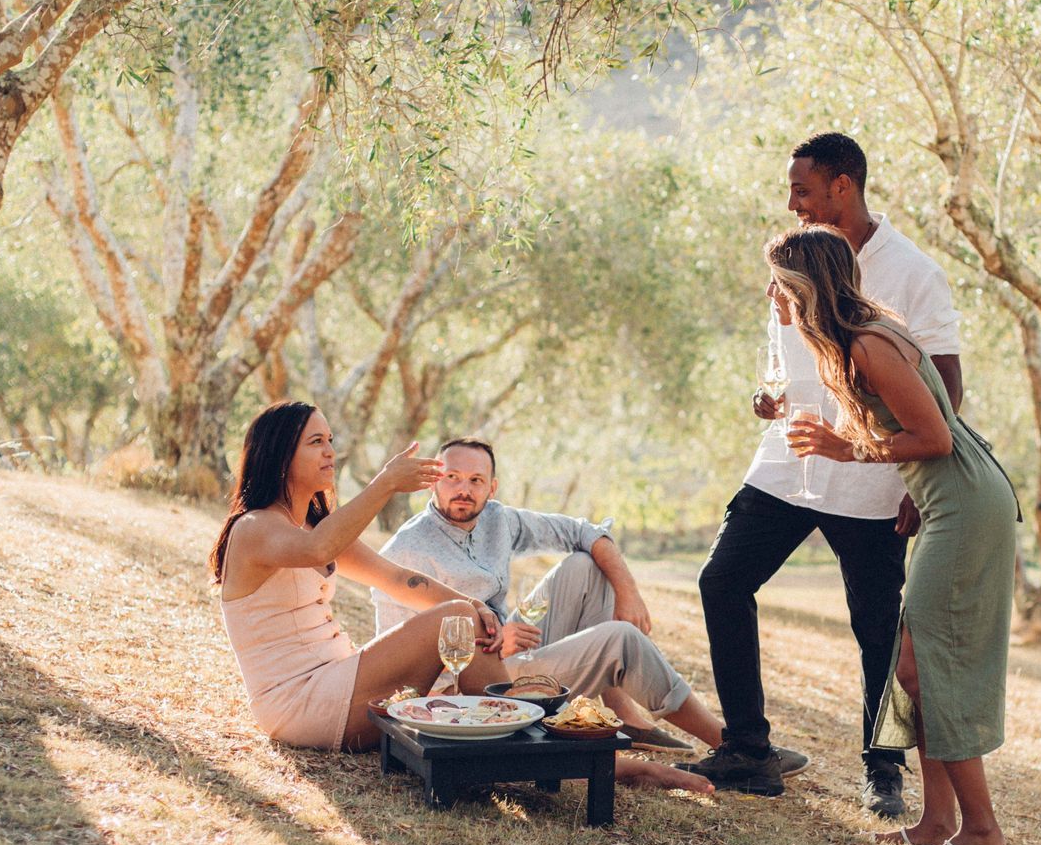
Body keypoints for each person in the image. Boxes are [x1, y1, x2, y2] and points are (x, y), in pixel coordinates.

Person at [212, 402, 711, 794]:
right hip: (299, 703)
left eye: (331, 440)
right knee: (453, 626)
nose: (330, 452)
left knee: (458, 630)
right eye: (316, 442)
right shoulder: (256, 529)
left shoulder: (311, 524)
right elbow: (320, 549)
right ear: (280, 453)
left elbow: (401, 580)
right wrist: (387, 483)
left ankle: (573, 750)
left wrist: (475, 611)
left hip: (339, 686)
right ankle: (601, 761)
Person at [691, 132, 962, 807]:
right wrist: (770, 393)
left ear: (843, 185)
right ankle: (749, 749)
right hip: (787, 464)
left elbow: (945, 383)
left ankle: (882, 770)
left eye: (802, 190)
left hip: (871, 478)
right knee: (722, 582)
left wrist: (915, 483)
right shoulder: (790, 265)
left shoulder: (913, 271)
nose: (791, 203)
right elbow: (785, 361)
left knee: (877, 627)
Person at [776, 225, 1016, 845]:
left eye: (781, 284)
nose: (773, 296)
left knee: (933, 667)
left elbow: (935, 438)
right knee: (912, 669)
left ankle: (984, 833)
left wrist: (842, 447)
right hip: (949, 505)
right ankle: (937, 822)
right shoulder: (859, 340)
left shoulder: (870, 344)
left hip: (965, 508)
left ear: (806, 288)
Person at [373, 437, 808, 776]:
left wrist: (628, 591)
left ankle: (622, 714)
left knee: (586, 565)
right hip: (469, 686)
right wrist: (487, 648)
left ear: (492, 486)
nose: (463, 490)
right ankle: (739, 747)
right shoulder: (407, 550)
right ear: (433, 479)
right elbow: (406, 673)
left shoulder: (498, 519)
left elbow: (586, 532)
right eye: (452, 478)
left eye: (475, 480)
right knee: (620, 639)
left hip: (513, 646)